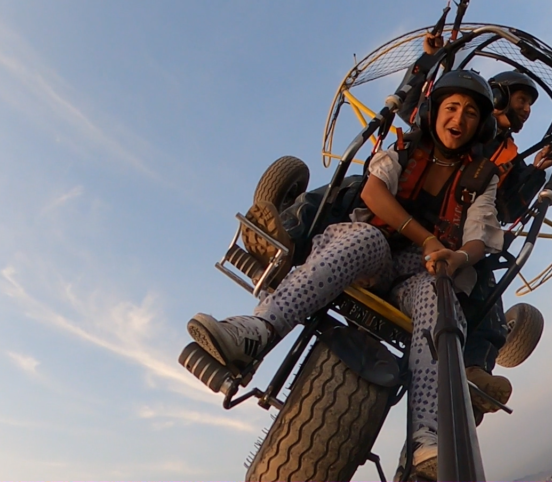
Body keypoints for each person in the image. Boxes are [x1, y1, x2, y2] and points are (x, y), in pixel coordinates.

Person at [186, 69, 502, 479]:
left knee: (437, 300)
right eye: (452, 107)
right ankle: (257, 330)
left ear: (480, 126)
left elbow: (479, 234)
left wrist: (456, 259)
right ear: (434, 111)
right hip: (376, 253)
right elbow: (373, 192)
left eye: (471, 114)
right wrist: (427, 240)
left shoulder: (481, 179)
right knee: (362, 238)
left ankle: (427, 437)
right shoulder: (404, 150)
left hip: (424, 273)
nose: (459, 119)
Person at [460, 69, 552, 423]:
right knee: (353, 188)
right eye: (522, 100)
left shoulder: (510, 154)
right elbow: (418, 112)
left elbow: (509, 208)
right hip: (430, 207)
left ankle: (474, 372)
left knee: (487, 286)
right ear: (499, 95)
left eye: (530, 104)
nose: (527, 109)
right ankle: (290, 228)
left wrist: (534, 171)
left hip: (464, 233)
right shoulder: (462, 120)